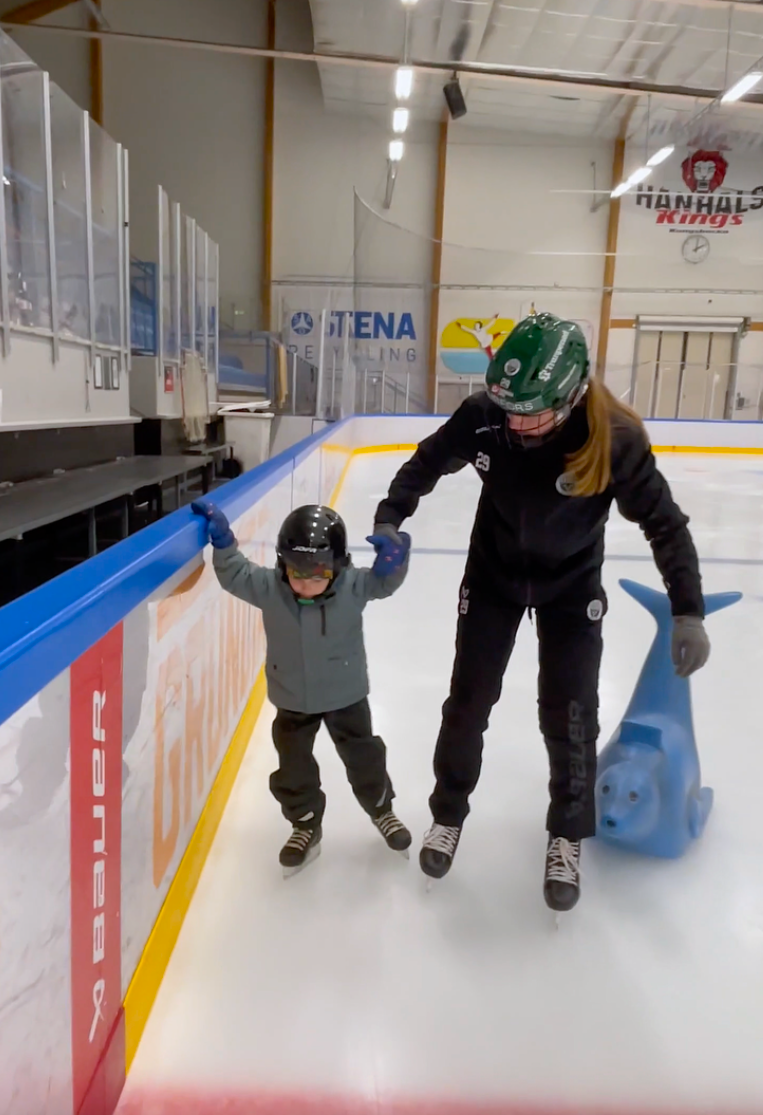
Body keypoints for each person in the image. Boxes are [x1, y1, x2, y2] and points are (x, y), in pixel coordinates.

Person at [372, 311, 708, 912]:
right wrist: (389, 519)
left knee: (571, 713)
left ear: (574, 392)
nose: (519, 424)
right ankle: (447, 815)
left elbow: (665, 525)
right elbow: (425, 464)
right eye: (510, 409)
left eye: (534, 412)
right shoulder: (485, 419)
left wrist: (688, 610)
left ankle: (565, 835)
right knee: (467, 703)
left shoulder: (613, 441)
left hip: (570, 588)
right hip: (494, 577)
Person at [192, 499, 413, 875]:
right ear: (283, 564)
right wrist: (224, 543)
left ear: (338, 566)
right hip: (293, 699)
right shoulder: (270, 588)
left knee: (365, 758)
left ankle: (382, 809)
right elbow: (235, 575)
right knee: (293, 768)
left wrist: (394, 559)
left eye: (317, 575)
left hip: (346, 696)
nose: (305, 584)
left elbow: (384, 583)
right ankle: (305, 824)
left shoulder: (354, 585)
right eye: (296, 573)